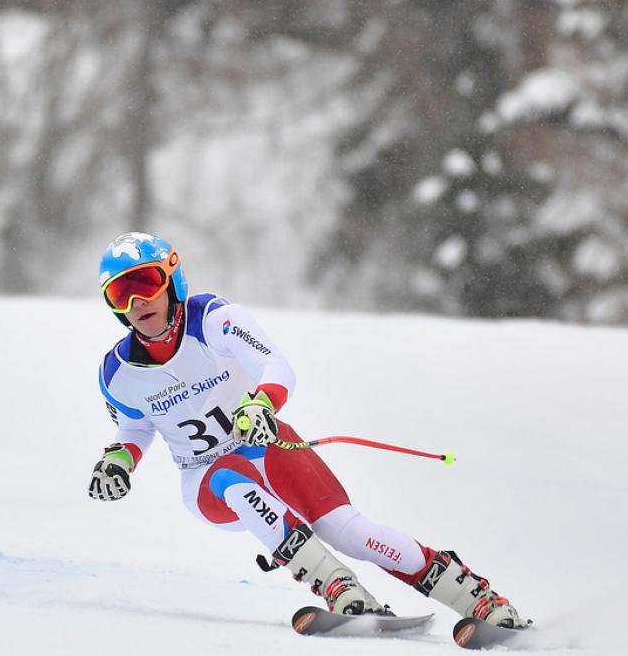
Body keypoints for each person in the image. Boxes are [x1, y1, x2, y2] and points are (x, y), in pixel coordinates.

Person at [88, 232, 529, 627]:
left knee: (348, 531)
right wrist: (117, 463)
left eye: (143, 284)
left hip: (268, 443)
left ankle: (477, 599)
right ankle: (338, 588)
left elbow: (274, 366)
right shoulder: (117, 371)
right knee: (229, 477)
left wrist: (262, 403)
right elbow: (135, 429)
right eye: (120, 294)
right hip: (205, 478)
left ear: (171, 279)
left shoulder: (213, 319)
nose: (136, 303)